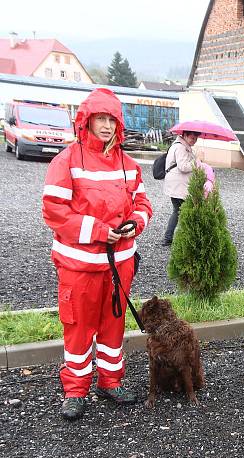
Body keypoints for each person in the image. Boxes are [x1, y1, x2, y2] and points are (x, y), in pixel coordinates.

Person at [42, 88, 153, 421]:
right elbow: (54, 211)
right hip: (79, 267)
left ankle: (110, 381)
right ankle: (75, 390)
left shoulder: (128, 164)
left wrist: (135, 223)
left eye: (111, 120)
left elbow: (143, 204)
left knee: (113, 327)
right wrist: (101, 231)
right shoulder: (66, 161)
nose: (106, 126)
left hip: (119, 265)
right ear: (86, 121)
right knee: (78, 328)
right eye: (100, 119)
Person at [162, 130, 202, 246]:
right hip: (178, 186)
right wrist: (198, 160)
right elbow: (183, 167)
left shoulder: (183, 146)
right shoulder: (180, 148)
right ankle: (183, 238)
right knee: (185, 211)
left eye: (196, 139)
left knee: (177, 211)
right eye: (192, 138)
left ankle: (168, 238)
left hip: (176, 185)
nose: (194, 141)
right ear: (184, 135)